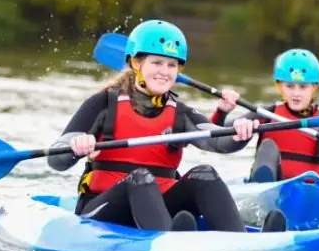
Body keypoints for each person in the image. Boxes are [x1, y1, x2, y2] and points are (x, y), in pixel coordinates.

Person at [46, 19, 288, 233]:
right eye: (157, 63)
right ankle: (170, 241)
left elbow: (216, 141)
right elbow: (56, 159)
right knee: (140, 178)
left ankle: (242, 244)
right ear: (136, 63)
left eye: (172, 65)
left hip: (159, 208)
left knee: (205, 173)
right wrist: (74, 147)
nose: (165, 72)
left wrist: (240, 134)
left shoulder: (179, 113)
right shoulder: (103, 103)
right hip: (101, 208)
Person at [210, 48, 319, 195]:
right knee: (268, 146)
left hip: (312, 195)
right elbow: (215, 134)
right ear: (279, 86)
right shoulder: (266, 114)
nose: (296, 93)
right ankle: (265, 203)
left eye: (303, 87)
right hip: (271, 190)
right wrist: (222, 111)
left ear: (314, 87)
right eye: (289, 86)